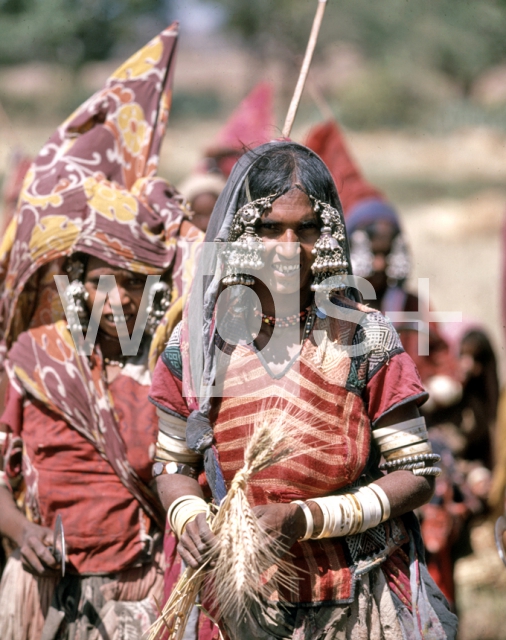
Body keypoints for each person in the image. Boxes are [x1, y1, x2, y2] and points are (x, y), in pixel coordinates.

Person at [148, 141, 458, 639]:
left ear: (331, 233)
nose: (290, 246)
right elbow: (172, 466)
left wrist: (305, 517)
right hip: (232, 601)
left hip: (353, 600)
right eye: (271, 227)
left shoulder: (364, 336)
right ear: (242, 233)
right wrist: (188, 520)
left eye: (307, 228)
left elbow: (415, 473)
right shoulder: (197, 343)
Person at [0, 23, 202, 639]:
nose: (113, 296)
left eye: (133, 281)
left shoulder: (173, 368)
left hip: (142, 594)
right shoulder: (33, 359)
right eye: (98, 278)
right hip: (42, 589)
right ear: (76, 281)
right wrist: (16, 528)